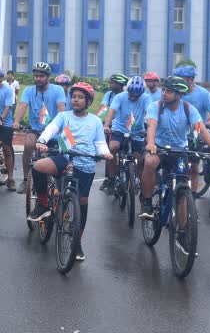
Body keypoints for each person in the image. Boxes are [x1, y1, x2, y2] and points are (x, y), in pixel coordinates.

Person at [28, 82, 113, 262]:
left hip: (86, 164)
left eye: (80, 97)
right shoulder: (63, 116)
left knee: (81, 202)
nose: (76, 99)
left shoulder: (95, 121)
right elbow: (51, 129)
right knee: (38, 166)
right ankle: (43, 204)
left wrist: (105, 153)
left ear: (88, 101)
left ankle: (77, 242)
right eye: (74, 96)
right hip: (65, 158)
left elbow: (99, 142)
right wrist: (42, 140)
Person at [141, 77, 210, 218]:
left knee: (182, 187)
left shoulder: (188, 109)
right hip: (159, 148)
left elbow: (201, 130)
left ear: (179, 95)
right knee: (149, 162)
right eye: (164, 90)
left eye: (169, 91)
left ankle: (183, 232)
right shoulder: (155, 107)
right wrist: (151, 143)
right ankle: (147, 202)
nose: (164, 94)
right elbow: (151, 125)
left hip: (179, 150)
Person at [12, 62, 66, 195]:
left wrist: (60, 125)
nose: (38, 78)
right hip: (35, 130)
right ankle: (26, 180)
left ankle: (59, 182)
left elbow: (61, 110)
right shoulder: (28, 91)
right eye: (36, 76)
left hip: (54, 132)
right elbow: (23, 106)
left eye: (41, 76)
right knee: (28, 146)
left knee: (58, 156)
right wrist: (17, 121)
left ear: (48, 77)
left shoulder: (57, 90)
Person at [174, 65, 210, 194]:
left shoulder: (203, 94)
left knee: (193, 166)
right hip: (178, 131)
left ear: (191, 79)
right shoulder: (175, 92)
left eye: (184, 79)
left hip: (197, 130)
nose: (182, 81)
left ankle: (192, 194)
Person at [102, 75, 151, 194]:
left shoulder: (146, 98)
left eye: (137, 95)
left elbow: (150, 114)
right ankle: (112, 178)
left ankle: (139, 181)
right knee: (113, 148)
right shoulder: (119, 97)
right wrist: (107, 125)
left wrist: (149, 129)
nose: (134, 97)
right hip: (119, 129)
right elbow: (111, 112)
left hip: (136, 131)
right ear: (127, 89)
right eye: (131, 94)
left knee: (140, 159)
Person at [98, 73, 128, 190]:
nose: (110, 85)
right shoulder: (109, 94)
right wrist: (100, 120)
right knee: (109, 151)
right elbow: (104, 108)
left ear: (120, 85)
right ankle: (110, 178)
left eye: (113, 83)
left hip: (125, 126)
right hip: (111, 126)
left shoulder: (126, 96)